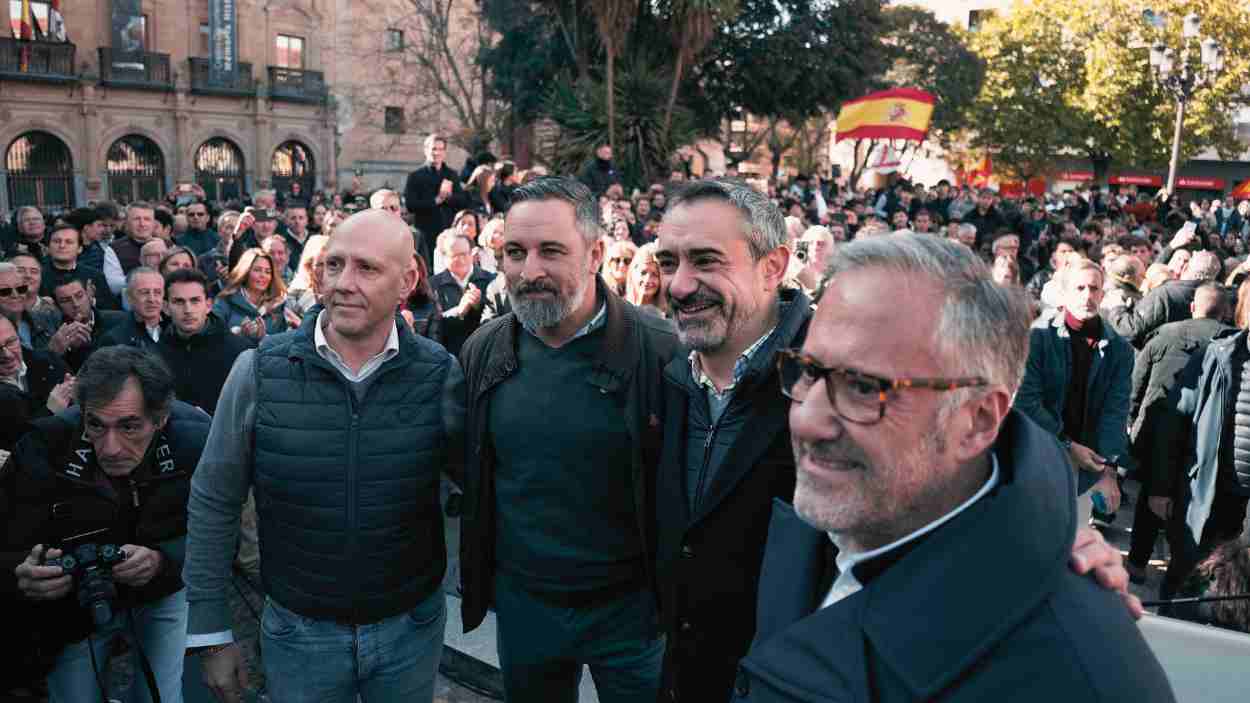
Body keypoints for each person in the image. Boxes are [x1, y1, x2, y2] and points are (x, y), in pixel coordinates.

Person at [735, 234, 1173, 702]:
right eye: (807, 371)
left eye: (863, 387)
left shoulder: (1084, 675)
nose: (807, 419)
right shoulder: (822, 517)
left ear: (977, 420)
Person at [182, 209, 465, 703]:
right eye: (334, 265)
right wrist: (209, 631)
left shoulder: (440, 374)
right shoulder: (259, 372)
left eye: (367, 268)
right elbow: (213, 499)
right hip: (299, 636)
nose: (343, 283)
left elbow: (482, 484)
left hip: (410, 632)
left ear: (409, 280)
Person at [457, 177, 680, 703]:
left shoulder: (663, 354)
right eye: (515, 252)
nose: (529, 271)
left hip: (632, 618)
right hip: (526, 611)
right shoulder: (483, 351)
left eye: (550, 251)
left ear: (596, 254)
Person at [2, 346, 210, 703]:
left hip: (162, 593)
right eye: (95, 425)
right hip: (74, 607)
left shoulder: (196, 440)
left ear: (161, 418)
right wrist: (20, 573)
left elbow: (221, 536)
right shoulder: (43, 446)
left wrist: (164, 560)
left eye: (129, 426)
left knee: (162, 695)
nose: (111, 447)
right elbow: (6, 543)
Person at [1126, 282, 1231, 584]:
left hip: (1155, 430)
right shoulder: (1228, 343)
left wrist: (1132, 420)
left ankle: (1136, 564)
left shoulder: (1166, 334)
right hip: (1201, 439)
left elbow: (1136, 382)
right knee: (1189, 502)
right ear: (1225, 312)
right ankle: (1179, 566)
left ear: (1193, 307)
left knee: (1150, 496)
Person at [1014, 258, 1132, 523]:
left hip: (1085, 463)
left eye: (1093, 289)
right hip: (1037, 451)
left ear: (1103, 294)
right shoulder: (1039, 337)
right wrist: (1067, 443)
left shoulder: (1119, 350)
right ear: (1065, 293)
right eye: (1080, 288)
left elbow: (1116, 411)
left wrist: (1108, 470)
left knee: (1069, 543)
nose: (1087, 296)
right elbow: (1025, 402)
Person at [157, 268, 252, 415]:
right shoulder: (155, 356)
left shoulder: (240, 352)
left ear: (208, 305)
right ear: (166, 308)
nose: (188, 309)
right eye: (178, 302)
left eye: (195, 301)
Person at [1107, 249, 1221, 348]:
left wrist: (1117, 308)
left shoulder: (1165, 294)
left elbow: (1130, 329)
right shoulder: (1217, 299)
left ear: (1185, 268)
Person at [0, 315, 71, 450]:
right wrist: (50, 410)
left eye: (11, 342)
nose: (7, 355)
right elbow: (19, 444)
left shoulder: (48, 361)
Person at [404, 133, 470, 267]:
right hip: (425, 231)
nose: (437, 153)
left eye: (440, 149)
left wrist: (448, 197)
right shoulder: (415, 176)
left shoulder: (452, 174)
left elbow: (463, 201)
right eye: (433, 149)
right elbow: (410, 204)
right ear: (426, 150)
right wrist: (435, 201)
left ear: (445, 152)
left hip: (448, 231)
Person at [431, 233, 494, 356]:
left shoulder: (491, 280)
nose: (460, 259)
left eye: (464, 254)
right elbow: (431, 327)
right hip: (449, 356)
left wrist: (479, 304)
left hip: (486, 353)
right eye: (454, 255)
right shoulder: (432, 285)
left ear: (472, 254)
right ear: (444, 257)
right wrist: (458, 311)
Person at [47, 277, 126, 372]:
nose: (75, 304)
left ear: (89, 295)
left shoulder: (119, 321)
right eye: (66, 300)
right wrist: (70, 350)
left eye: (79, 296)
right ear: (56, 306)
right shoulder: (52, 333)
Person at [212, 249, 288, 340]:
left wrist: (264, 338)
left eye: (267, 272)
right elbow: (214, 336)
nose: (263, 275)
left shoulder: (278, 305)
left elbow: (283, 341)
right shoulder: (225, 300)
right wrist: (239, 333)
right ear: (245, 272)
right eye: (257, 270)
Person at [41, 224, 120, 311]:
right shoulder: (38, 276)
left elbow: (111, 309)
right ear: (48, 247)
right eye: (57, 241)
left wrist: (91, 302)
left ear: (79, 249)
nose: (62, 246)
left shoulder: (95, 275)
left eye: (69, 242)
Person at [100, 267, 166, 354]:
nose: (152, 299)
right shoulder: (115, 340)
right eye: (144, 292)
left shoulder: (177, 329)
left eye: (157, 292)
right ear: (129, 297)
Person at [104, 202, 158, 296]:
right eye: (136, 219)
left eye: (147, 219)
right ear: (127, 223)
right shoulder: (114, 248)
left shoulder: (167, 245)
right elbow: (113, 285)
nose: (142, 224)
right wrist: (147, 280)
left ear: (153, 223)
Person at [283, 235, 330, 326]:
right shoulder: (294, 295)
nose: (325, 269)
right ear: (309, 266)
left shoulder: (342, 293)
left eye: (330, 264)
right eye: (320, 264)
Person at [401, 254, 444, 345]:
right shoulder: (383, 302)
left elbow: (433, 348)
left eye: (412, 272)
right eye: (403, 270)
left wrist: (410, 332)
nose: (407, 277)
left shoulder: (430, 304)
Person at [623, 242, 665, 316]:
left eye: (655, 274)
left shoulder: (670, 315)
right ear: (633, 273)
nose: (647, 280)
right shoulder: (619, 309)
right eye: (643, 273)